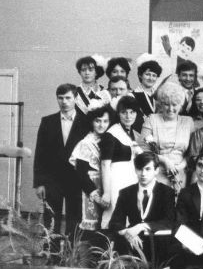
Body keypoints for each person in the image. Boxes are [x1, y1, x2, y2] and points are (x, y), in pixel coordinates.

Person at [109, 152, 180, 269]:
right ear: (135, 170)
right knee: (117, 240)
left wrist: (142, 226)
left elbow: (169, 221)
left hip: (157, 241)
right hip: (133, 240)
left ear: (156, 170)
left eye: (148, 169)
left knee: (172, 246)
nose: (143, 174)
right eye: (139, 169)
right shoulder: (126, 192)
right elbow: (115, 222)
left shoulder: (166, 192)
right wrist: (127, 232)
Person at [34, 84, 89, 235]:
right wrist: (39, 183)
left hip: (76, 179)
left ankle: (71, 250)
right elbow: (40, 154)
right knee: (51, 220)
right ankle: (51, 249)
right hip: (52, 180)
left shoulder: (86, 123)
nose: (64, 102)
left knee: (75, 220)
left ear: (76, 98)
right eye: (60, 98)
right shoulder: (47, 121)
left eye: (68, 98)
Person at [69, 102, 114, 236]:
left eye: (105, 121)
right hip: (90, 192)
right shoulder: (86, 143)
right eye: (97, 121)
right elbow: (81, 174)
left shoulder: (111, 139)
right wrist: (97, 197)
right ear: (91, 121)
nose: (101, 125)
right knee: (89, 233)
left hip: (109, 188)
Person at [140, 82, 194, 192]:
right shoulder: (152, 119)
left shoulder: (188, 122)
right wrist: (163, 160)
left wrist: (181, 166)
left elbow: (192, 152)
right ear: (160, 104)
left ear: (180, 105)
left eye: (174, 104)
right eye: (166, 104)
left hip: (181, 172)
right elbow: (142, 150)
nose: (170, 108)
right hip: (157, 171)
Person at [100, 95, 143, 229]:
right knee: (115, 213)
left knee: (131, 215)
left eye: (132, 112)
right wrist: (106, 192)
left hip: (130, 179)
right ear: (118, 114)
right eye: (124, 112)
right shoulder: (111, 134)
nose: (128, 116)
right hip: (116, 180)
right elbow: (105, 165)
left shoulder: (133, 133)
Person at [133, 54, 163, 132]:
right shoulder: (133, 96)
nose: (151, 78)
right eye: (147, 74)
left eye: (154, 75)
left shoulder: (159, 95)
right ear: (140, 75)